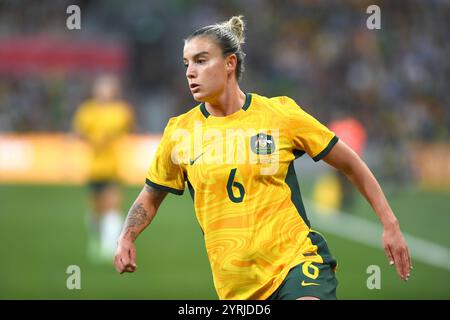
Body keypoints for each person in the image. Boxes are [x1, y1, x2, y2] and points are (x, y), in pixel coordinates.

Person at [114, 16, 412, 300]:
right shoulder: (179, 132)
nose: (190, 71)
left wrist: (391, 224)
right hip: (237, 285)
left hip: (297, 261)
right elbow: (150, 197)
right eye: (186, 63)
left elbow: (350, 162)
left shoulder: (279, 114)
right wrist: (126, 237)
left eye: (201, 60)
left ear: (230, 63)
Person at [73, 74, 135, 264]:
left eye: (109, 88)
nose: (105, 91)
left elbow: (129, 129)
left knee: (112, 206)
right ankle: (96, 241)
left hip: (112, 167)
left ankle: (110, 247)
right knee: (95, 211)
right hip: (93, 168)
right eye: (103, 87)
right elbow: (78, 133)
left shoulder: (121, 111)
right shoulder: (87, 111)